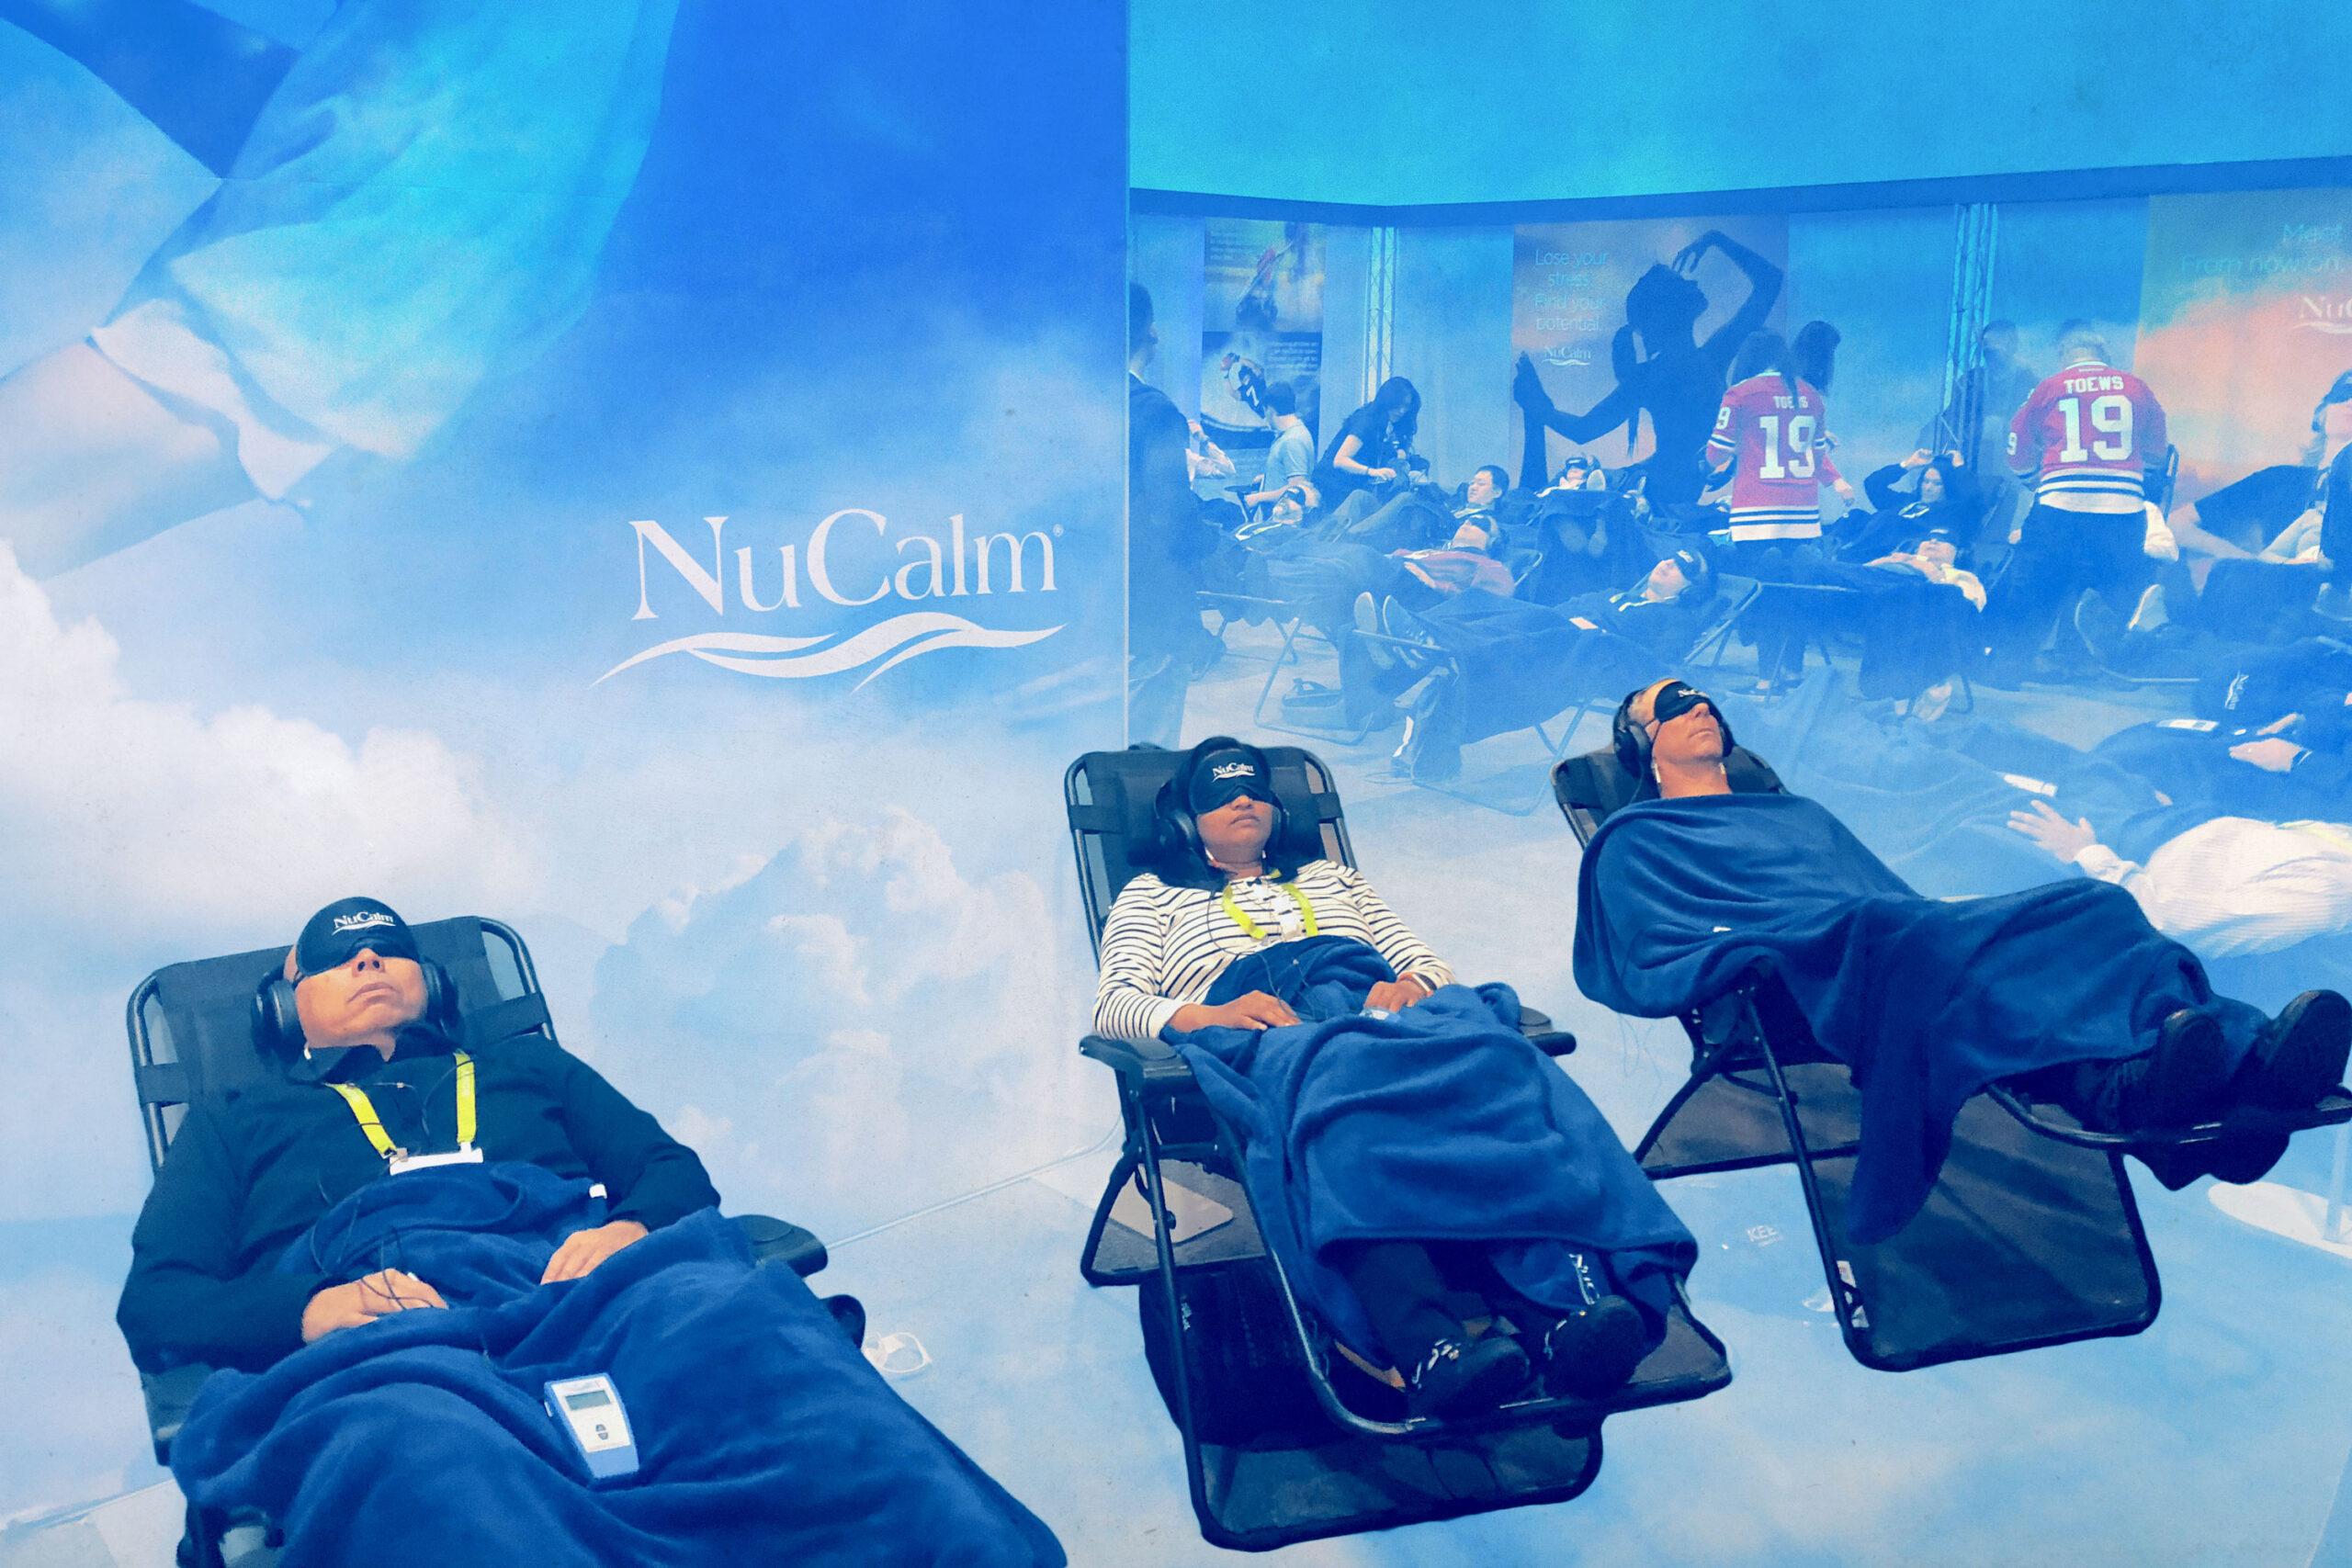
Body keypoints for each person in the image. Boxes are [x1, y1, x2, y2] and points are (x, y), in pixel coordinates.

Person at [120, 896, 1064, 1563]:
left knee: (761, 1345)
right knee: (421, 1449)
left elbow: (672, 1175)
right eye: (337, 957)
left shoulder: (530, 1070)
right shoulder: (237, 1122)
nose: (367, 961)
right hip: (400, 1338)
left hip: (595, 1289)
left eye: (388, 949)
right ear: (284, 1005)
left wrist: (631, 1228)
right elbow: (160, 1302)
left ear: (432, 985)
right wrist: (313, 1310)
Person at [1574, 680, 2351, 1235]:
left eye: (1704, 698)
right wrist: (1751, 948)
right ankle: (2158, 1095)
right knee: (1926, 942)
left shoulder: (1798, 813)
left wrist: (1936, 919)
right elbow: (1651, 950)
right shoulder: (1635, 839)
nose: (1699, 707)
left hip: (1891, 940)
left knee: (2097, 905)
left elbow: (1883, 889)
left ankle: (2244, 1071)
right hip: (1808, 971)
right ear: (1638, 744)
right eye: (1672, 705)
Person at [1094, 740, 1696, 1417]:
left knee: (1496, 1069)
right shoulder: (1151, 896)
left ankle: (1563, 1315)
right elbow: (1115, 1004)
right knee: (1345, 1109)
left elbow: (1423, 961)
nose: (1243, 801)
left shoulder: (1335, 880)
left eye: (1255, 790)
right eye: (1220, 793)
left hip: (1380, 1019)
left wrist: (1413, 984)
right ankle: (1429, 1348)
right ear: (1184, 820)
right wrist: (1208, 1013)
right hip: (1271, 1033)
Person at [1377, 547, 1723, 780]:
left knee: (1537, 628)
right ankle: (1418, 637)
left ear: (1691, 590)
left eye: (1683, 568)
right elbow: (1560, 611)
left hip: (1581, 655)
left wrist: (1593, 631)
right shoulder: (1613, 595)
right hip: (1548, 636)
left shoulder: (1674, 620)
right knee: (1481, 600)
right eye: (1670, 558)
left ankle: (1422, 644)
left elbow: (1649, 663)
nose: (1667, 563)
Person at [1512, 229, 1783, 513]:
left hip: (1663, 486)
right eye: (1680, 283)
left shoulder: (1660, 373)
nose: (1692, 282)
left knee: (1558, 497)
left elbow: (1584, 430)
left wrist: (1540, 410)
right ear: (1670, 310)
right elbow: (1769, 282)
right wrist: (1716, 240)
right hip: (1663, 488)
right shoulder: (1710, 357)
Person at [1984, 321, 2170, 682]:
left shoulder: (2049, 387)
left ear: (2064, 353)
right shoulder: (2136, 387)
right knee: (2111, 591)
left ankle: (2010, 668)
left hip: (2059, 506)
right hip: (2121, 511)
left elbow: (2017, 448)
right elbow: (2156, 452)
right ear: (2102, 352)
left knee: (2036, 588)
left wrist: (2037, 483)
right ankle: (2103, 667)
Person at [1703, 331, 1854, 691]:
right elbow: (1817, 453)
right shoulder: (1810, 394)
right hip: (1802, 514)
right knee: (1795, 591)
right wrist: (1837, 482)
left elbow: (1715, 454)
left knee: (1763, 594)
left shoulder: (1741, 393)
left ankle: (1764, 679)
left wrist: (1736, 448)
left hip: (1755, 514)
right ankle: (1793, 670)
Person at [1129, 283, 1204, 745]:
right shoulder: (1155, 412)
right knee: (1148, 743)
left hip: (1090, 602)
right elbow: (1172, 514)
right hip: (1153, 601)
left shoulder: (1073, 402)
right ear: (1151, 333)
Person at [1313, 376, 1419, 525]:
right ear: (1388, 401)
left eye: (1406, 406)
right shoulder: (1367, 421)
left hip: (1349, 486)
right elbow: (1340, 460)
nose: (1402, 411)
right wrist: (1372, 471)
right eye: (1397, 405)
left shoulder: (1386, 423)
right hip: (1331, 486)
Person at [1241, 380, 1317, 511]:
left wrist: (1258, 497)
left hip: (1284, 518)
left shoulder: (1292, 441)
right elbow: (1289, 474)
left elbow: (1296, 489)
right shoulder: (1292, 434)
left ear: (1270, 410)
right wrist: (1266, 478)